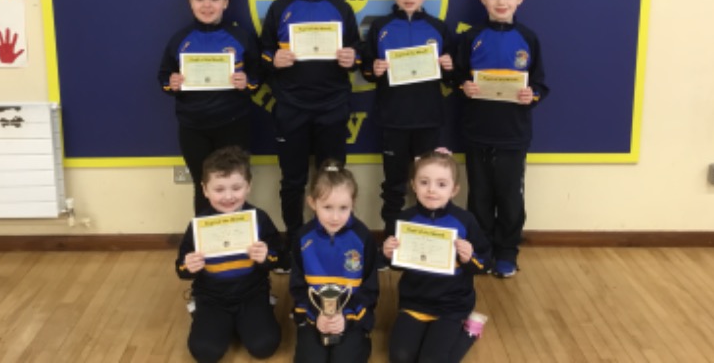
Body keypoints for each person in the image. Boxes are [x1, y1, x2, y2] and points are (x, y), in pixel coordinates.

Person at [259, 0, 360, 267]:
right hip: (291, 108)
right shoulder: (280, 8)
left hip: (332, 107)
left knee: (333, 178)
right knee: (293, 181)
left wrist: (352, 58)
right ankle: (293, 242)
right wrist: (273, 59)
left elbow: (357, 53)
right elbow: (263, 52)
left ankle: (333, 241)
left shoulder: (341, 8)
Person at [455, 0, 549, 278]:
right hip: (477, 133)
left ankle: (507, 252)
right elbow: (456, 77)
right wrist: (464, 86)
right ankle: (481, 252)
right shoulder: (471, 37)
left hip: (513, 135)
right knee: (479, 197)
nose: (501, 2)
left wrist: (532, 94)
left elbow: (540, 84)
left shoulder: (528, 38)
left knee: (510, 199)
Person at [360, 0, 455, 238]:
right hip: (393, 120)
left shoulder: (439, 28)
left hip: (428, 120)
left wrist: (450, 66)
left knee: (430, 184)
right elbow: (367, 69)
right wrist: (374, 69)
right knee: (394, 185)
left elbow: (453, 76)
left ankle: (428, 239)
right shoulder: (381, 27)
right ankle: (391, 241)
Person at [158, 0, 260, 213]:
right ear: (190, 2)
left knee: (233, 186)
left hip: (233, 123)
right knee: (203, 186)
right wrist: (172, 83)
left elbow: (258, 76)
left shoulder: (241, 37)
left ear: (226, 2)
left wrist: (246, 81)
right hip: (193, 127)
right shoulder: (180, 40)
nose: (207, 5)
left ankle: (236, 236)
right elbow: (164, 77)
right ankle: (205, 237)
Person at [382, 148, 490, 363]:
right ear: (413, 185)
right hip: (414, 302)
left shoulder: (465, 221)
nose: (431, 190)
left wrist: (469, 258)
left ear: (454, 189)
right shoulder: (404, 220)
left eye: (441, 184)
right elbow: (397, 264)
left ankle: (470, 331)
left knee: (432, 360)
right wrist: (387, 254)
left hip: (452, 305)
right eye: (424, 182)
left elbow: (485, 262)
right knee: (400, 357)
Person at [175, 146, 281, 362]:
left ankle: (259, 310)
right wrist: (189, 266)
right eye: (219, 189)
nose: (228, 196)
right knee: (205, 353)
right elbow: (181, 269)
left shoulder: (259, 218)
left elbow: (281, 258)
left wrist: (267, 256)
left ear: (248, 186)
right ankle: (209, 316)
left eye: (236, 187)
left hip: (252, 294)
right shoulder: (198, 225)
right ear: (205, 189)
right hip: (212, 297)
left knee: (264, 347)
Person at [290, 160, 379, 363]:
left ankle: (362, 338)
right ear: (312, 203)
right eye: (327, 207)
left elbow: (370, 289)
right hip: (315, 314)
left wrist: (346, 318)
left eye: (343, 208)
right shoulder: (302, 238)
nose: (335, 217)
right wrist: (316, 316)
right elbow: (297, 286)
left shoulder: (363, 237)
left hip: (352, 315)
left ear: (353, 203)